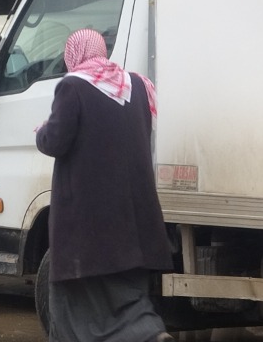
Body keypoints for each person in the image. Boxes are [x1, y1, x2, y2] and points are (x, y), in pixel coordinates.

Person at [34, 28, 173, 342]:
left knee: (77, 299)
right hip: (135, 216)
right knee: (129, 290)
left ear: (73, 55)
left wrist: (41, 132)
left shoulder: (72, 86)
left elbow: (55, 140)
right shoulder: (137, 85)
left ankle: (142, 336)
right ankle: (149, 333)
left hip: (88, 221)